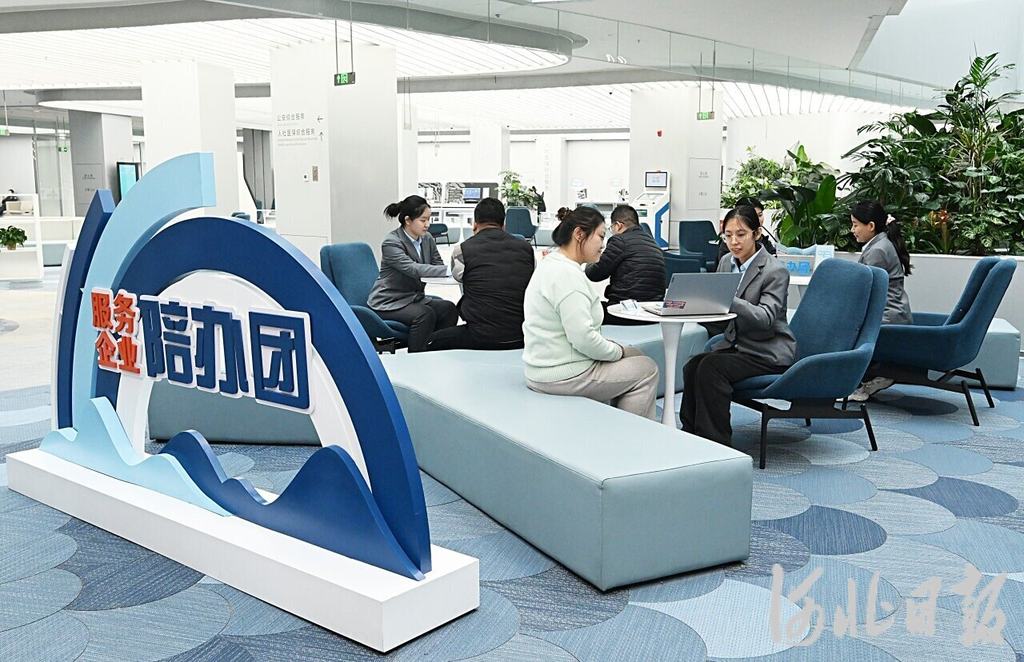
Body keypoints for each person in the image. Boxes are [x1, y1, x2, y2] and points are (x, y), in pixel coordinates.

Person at [522, 206, 659, 419]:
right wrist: (617, 352)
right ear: (579, 234)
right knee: (647, 369)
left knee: (634, 354)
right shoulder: (568, 276)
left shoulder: (551, 264)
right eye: (601, 236)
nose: (603, 245)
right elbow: (583, 338)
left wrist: (618, 350)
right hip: (563, 374)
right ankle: (631, 434)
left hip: (544, 366)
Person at [681, 206, 797, 445]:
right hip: (738, 345)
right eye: (728, 235)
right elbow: (719, 309)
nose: (733, 241)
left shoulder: (775, 271)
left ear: (756, 233)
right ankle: (690, 435)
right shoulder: (726, 262)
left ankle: (715, 443)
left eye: (741, 234)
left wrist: (727, 298)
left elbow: (765, 318)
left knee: (711, 368)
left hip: (766, 350)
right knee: (692, 366)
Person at [426, 198, 535, 351]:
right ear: (503, 224)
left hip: (480, 336)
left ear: (474, 224)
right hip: (520, 336)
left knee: (432, 341)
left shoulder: (462, 249)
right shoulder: (527, 249)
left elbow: (458, 276)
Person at [368, 195, 458, 352]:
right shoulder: (392, 242)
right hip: (389, 301)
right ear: (408, 220)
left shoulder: (427, 238)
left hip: (414, 298)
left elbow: (437, 264)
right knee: (424, 314)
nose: (427, 224)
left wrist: (447, 270)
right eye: (423, 220)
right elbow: (413, 269)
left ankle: (437, 351)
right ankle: (417, 356)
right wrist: (450, 270)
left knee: (448, 309)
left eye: (429, 219)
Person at [848, 200, 914, 401]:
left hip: (888, 317)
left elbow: (866, 291)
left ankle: (851, 381)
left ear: (871, 226)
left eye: (855, 225)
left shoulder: (877, 250)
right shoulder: (881, 243)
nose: (852, 230)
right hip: (893, 313)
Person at [585, 204, 666, 325]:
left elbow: (595, 274)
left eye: (611, 228)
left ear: (618, 225)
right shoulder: (654, 244)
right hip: (652, 316)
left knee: (584, 308)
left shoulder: (619, 241)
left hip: (625, 313)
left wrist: (590, 256)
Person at [716, 197, 776, 262]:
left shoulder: (764, 241)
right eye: (728, 235)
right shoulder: (726, 258)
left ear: (757, 233)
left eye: (760, 215)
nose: (757, 220)